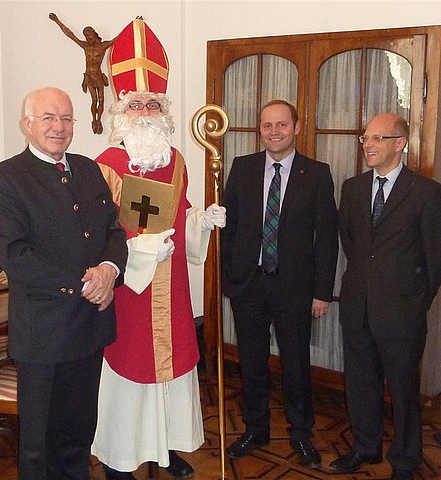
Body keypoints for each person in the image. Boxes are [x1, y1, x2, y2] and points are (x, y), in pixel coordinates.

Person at [90, 18, 225, 480]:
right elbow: (99, 232)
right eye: (138, 103)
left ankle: (167, 449)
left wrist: (199, 222)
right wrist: (144, 248)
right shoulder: (105, 166)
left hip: (172, 289)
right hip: (130, 288)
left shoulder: (178, 160)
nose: (146, 110)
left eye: (153, 103)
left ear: (162, 109)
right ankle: (120, 457)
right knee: (130, 375)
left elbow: (180, 213)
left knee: (174, 372)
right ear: (122, 109)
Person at [0, 87, 128, 480]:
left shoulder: (88, 168)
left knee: (78, 432)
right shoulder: (3, 179)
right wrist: (84, 283)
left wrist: (110, 270)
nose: (59, 127)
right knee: (38, 444)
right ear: (27, 123)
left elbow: (113, 230)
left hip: (90, 326)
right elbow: (16, 255)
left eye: (66, 118)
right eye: (48, 118)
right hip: (44, 333)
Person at [221, 100, 338, 468]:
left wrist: (321, 292)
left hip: (294, 288)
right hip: (249, 286)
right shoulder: (242, 169)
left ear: (297, 127)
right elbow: (230, 226)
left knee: (296, 364)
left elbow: (327, 238)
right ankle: (256, 429)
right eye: (267, 125)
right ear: (260, 129)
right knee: (251, 362)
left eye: (281, 125)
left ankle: (301, 434)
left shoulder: (317, 174)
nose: (274, 131)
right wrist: (229, 277)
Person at [330, 113, 441, 480]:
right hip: (357, 306)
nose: (368, 145)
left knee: (404, 390)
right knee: (360, 384)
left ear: (400, 143)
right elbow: (352, 243)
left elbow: (434, 259)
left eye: (378, 138)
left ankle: (406, 460)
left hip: (402, 313)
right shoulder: (353, 187)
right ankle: (366, 448)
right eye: (365, 138)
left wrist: (412, 302)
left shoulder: (426, 193)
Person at [49, 13, 115, 134]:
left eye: (90, 36)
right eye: (86, 37)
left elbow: (118, 39)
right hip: (89, 76)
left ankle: (99, 120)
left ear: (94, 34)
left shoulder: (103, 46)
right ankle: (94, 120)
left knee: (101, 99)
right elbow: (70, 34)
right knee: (94, 100)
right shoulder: (85, 46)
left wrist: (134, 25)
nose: (88, 38)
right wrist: (57, 21)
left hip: (98, 75)